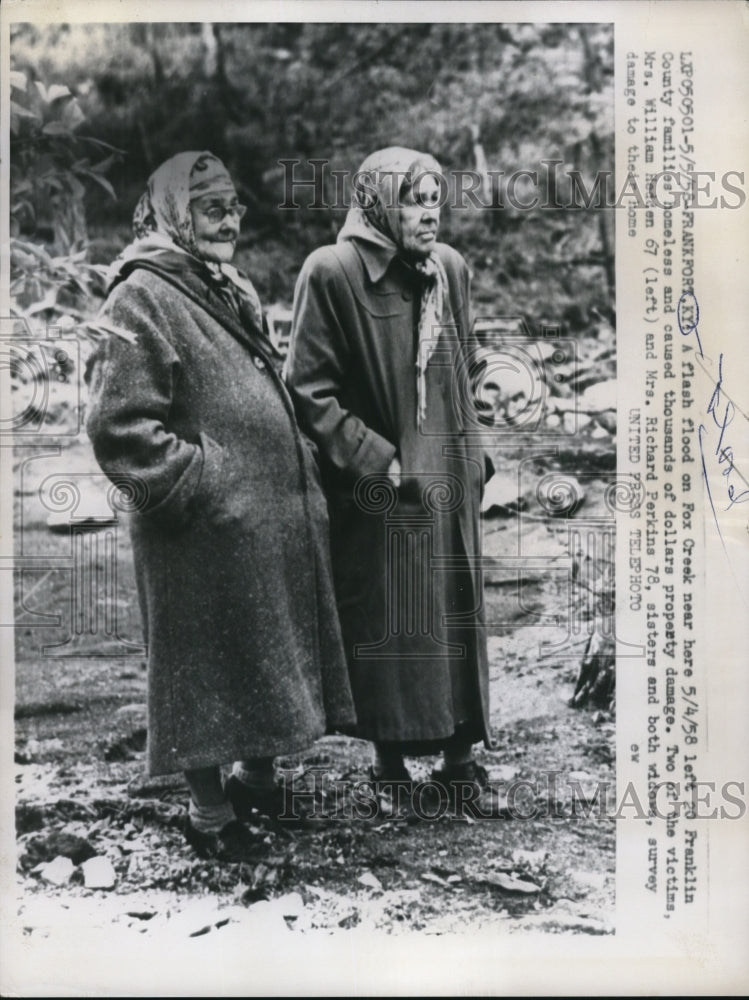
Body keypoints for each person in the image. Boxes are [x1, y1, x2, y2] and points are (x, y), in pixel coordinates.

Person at [85, 151, 355, 860]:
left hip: (253, 522)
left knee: (259, 650)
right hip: (197, 530)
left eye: (234, 206)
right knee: (201, 666)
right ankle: (209, 817)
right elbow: (117, 426)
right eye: (211, 208)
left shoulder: (220, 285)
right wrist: (202, 484)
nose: (230, 219)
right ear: (173, 214)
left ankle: (256, 781)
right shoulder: (140, 294)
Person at [286, 146, 495, 814]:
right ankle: (390, 769)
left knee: (456, 614)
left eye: (434, 198)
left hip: (452, 481)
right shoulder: (333, 272)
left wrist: (477, 453)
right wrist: (379, 460)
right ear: (378, 202)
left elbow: (468, 367)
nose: (428, 213)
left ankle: (460, 765)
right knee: (395, 625)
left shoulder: (448, 270)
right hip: (386, 491)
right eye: (412, 199)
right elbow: (308, 390)